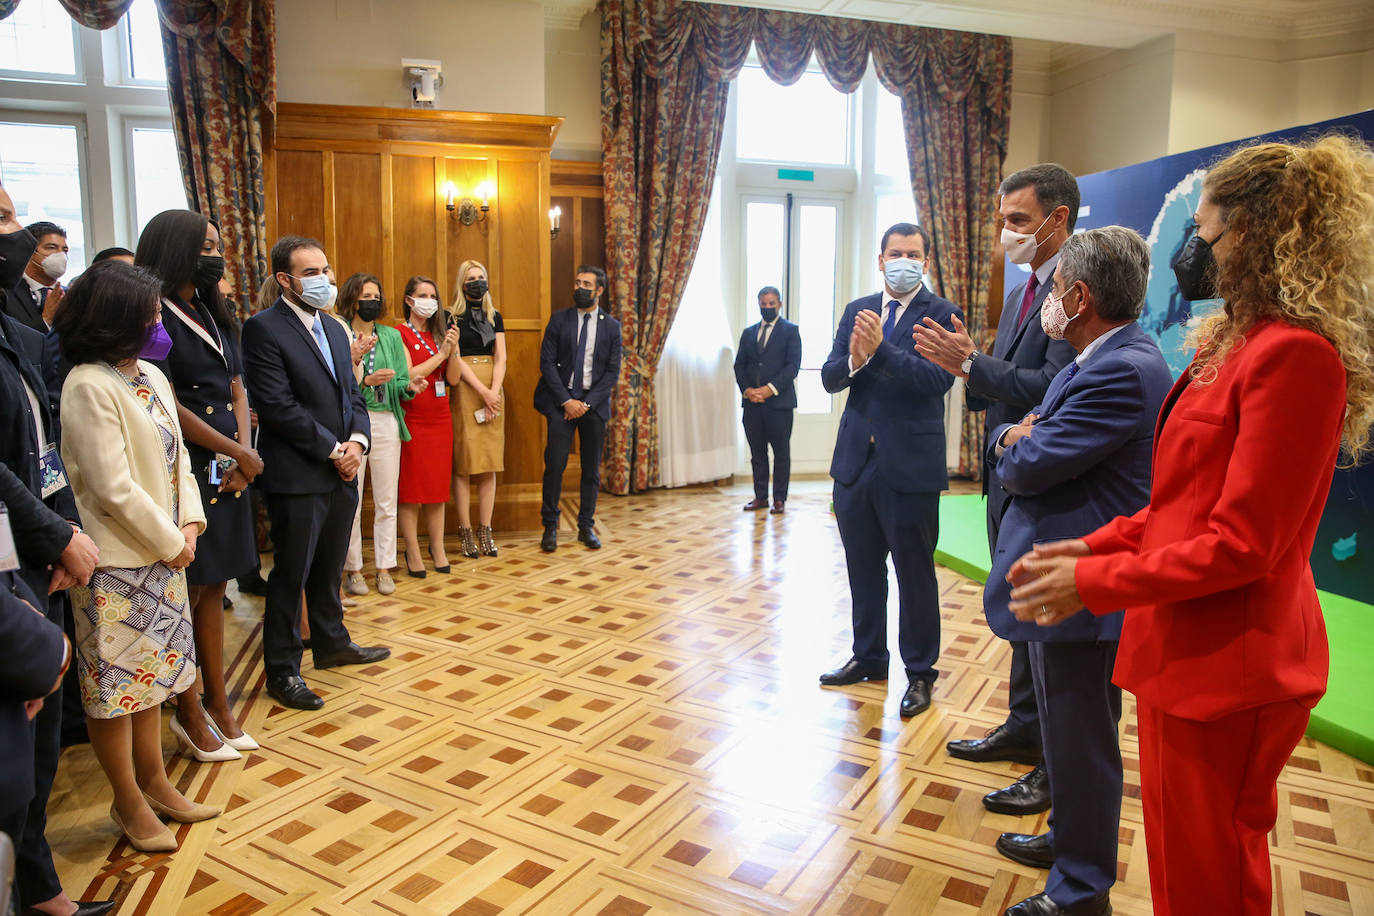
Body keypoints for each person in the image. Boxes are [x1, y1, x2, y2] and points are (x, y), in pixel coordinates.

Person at [1007, 135, 1374, 916]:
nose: (1190, 249)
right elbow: (1181, 505)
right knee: (1177, 860)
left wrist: (1094, 580)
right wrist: (1095, 546)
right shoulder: (1230, 345)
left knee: (1212, 876)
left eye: (1204, 233)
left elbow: (1245, 544)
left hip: (1237, 663)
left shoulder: (1295, 357)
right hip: (1183, 650)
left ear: (1260, 236)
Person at [983, 227, 1171, 916]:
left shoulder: (1122, 366)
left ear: (1079, 295)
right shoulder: (1095, 357)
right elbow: (1027, 431)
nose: (1047, 303)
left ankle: (1081, 889)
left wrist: (1009, 439)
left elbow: (1028, 462)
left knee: (1083, 742)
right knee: (1068, 738)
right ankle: (1069, 841)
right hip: (1058, 581)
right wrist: (1016, 433)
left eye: (1056, 290)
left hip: (1081, 587)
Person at [916, 162, 1080, 813]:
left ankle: (1049, 760)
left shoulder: (1074, 291)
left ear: (1057, 219)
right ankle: (1022, 727)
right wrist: (975, 361)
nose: (1006, 233)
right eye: (1003, 219)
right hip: (1007, 473)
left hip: (1044, 478)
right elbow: (1008, 376)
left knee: (1042, 626)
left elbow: (1056, 389)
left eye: (1017, 220)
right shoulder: (1023, 289)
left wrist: (973, 364)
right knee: (1017, 613)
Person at [56, 260, 221, 855]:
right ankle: (126, 798)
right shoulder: (86, 383)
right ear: (117, 318)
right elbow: (109, 485)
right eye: (150, 312)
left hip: (166, 552)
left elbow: (178, 460)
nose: (159, 320)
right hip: (117, 562)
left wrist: (191, 523)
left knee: (156, 680)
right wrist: (171, 541)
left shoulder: (150, 372)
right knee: (116, 686)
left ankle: (157, 783)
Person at [0, 187, 113, 916]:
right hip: (15, 555)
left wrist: (64, 529)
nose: (18, 230)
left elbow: (39, 447)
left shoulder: (12, 318)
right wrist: (58, 533)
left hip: (33, 552)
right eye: (4, 217)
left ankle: (38, 886)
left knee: (31, 756)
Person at [817, 223, 962, 718]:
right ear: (880, 260)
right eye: (895, 253)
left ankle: (920, 672)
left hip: (911, 465)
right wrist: (856, 361)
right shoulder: (857, 310)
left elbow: (933, 381)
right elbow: (831, 378)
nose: (904, 260)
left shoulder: (943, 313)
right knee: (863, 570)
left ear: (926, 261)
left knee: (914, 574)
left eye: (914, 254)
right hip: (856, 464)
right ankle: (869, 656)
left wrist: (880, 352)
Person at [241, 236, 390, 712]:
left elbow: (354, 394)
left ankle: (331, 643)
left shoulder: (334, 326)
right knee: (292, 573)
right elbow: (278, 407)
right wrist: (333, 449)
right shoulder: (263, 329)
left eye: (326, 270)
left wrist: (358, 443)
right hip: (298, 471)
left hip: (342, 468)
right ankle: (283, 669)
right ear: (284, 279)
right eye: (310, 273)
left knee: (328, 567)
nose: (324, 280)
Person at [135, 209, 262, 761]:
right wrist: (233, 448)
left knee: (215, 585)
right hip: (186, 463)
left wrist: (246, 449)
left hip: (232, 460)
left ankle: (219, 702)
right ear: (177, 250)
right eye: (205, 246)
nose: (216, 255)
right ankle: (190, 710)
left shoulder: (210, 311)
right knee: (187, 588)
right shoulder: (150, 313)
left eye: (218, 245)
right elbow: (167, 400)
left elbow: (236, 383)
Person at [534, 266, 622, 552]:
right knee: (555, 466)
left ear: (599, 290)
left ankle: (586, 526)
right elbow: (546, 363)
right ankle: (550, 527)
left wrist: (585, 404)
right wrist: (567, 402)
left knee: (591, 470)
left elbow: (611, 372)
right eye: (577, 282)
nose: (580, 287)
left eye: (587, 284)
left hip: (592, 407)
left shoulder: (611, 326)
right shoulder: (559, 320)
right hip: (561, 403)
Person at [339, 272, 411, 596]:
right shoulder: (340, 333)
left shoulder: (392, 336)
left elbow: (401, 379)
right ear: (353, 299)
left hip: (385, 421)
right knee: (352, 499)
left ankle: (384, 567)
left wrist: (405, 385)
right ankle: (353, 568)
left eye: (376, 296)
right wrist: (366, 382)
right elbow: (337, 383)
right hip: (354, 421)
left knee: (386, 499)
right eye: (366, 296)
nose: (373, 301)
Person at [396, 276, 459, 577]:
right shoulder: (399, 334)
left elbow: (454, 379)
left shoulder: (439, 334)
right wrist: (441, 355)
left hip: (440, 417)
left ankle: (438, 547)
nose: (429, 300)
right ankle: (413, 550)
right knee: (411, 489)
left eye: (433, 295)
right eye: (422, 295)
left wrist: (453, 350)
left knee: (436, 488)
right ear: (409, 300)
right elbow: (408, 373)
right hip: (413, 418)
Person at [449, 260, 506, 558]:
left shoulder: (494, 315)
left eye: (481, 277)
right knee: (464, 463)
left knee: (488, 461)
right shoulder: (451, 316)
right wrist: (482, 391)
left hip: (493, 391)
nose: (476, 282)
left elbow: (501, 357)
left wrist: (494, 392)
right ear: (462, 282)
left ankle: (486, 530)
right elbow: (454, 358)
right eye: (471, 278)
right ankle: (465, 531)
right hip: (466, 389)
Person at [733, 286, 801, 515]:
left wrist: (769, 390)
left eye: (772, 304)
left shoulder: (791, 331)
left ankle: (779, 499)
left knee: (781, 454)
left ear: (779, 304)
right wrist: (748, 390)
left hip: (779, 405)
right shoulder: (749, 332)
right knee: (757, 453)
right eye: (764, 304)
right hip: (752, 404)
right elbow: (739, 365)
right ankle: (760, 497)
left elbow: (792, 366)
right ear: (759, 304)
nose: (767, 307)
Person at [5, 221, 68, 333]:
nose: (61, 255)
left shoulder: (73, 295)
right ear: (29, 251)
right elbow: (9, 338)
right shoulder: (6, 294)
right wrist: (45, 320)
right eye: (52, 247)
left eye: (65, 250)